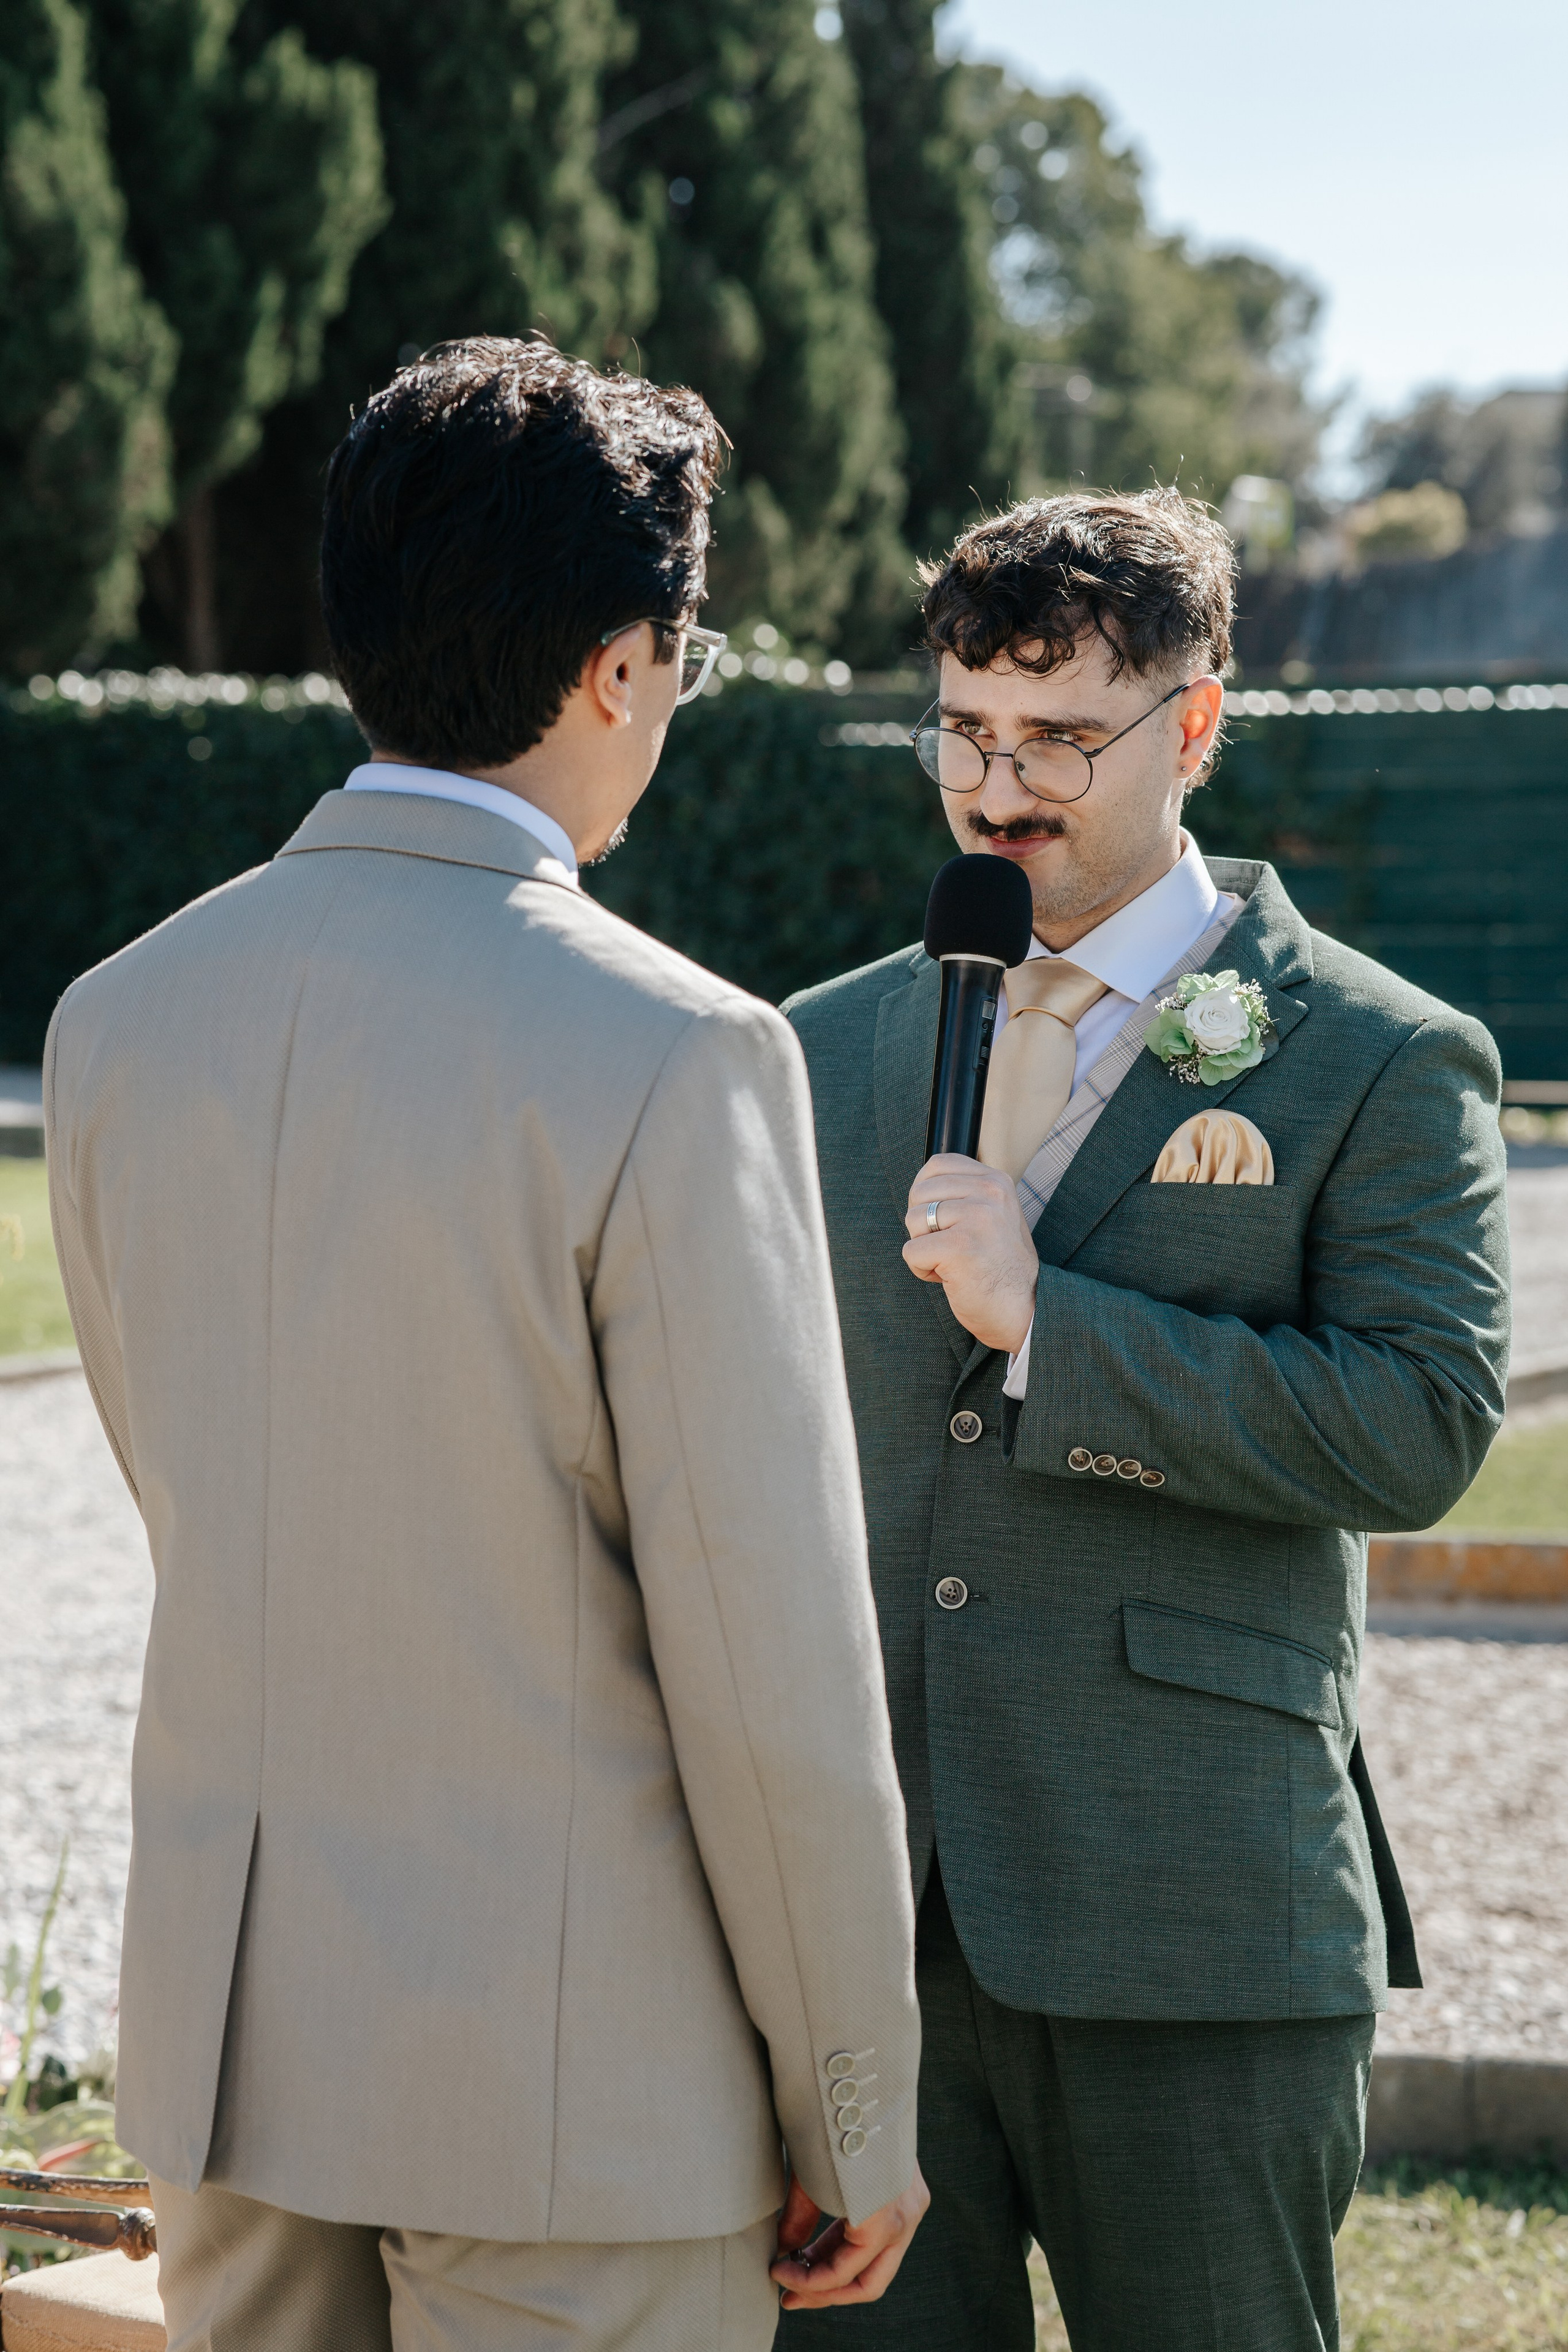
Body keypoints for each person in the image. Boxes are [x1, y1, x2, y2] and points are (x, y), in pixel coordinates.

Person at [45, 337, 926, 2352]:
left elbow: (188, 1484)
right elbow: (766, 1650)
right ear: (624, 661)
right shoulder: (680, 1050)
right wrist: (854, 2109)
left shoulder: (119, 1017)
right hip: (576, 2093)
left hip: (231, 2054)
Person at [774, 490, 1510, 2351]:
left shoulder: (1376, 1054)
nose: (998, 790)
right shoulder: (810, 1047)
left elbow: (1423, 1426)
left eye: (1058, 741)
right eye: (966, 733)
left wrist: (1054, 1331)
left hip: (1196, 1917)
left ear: (1192, 726)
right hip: (869, 1938)